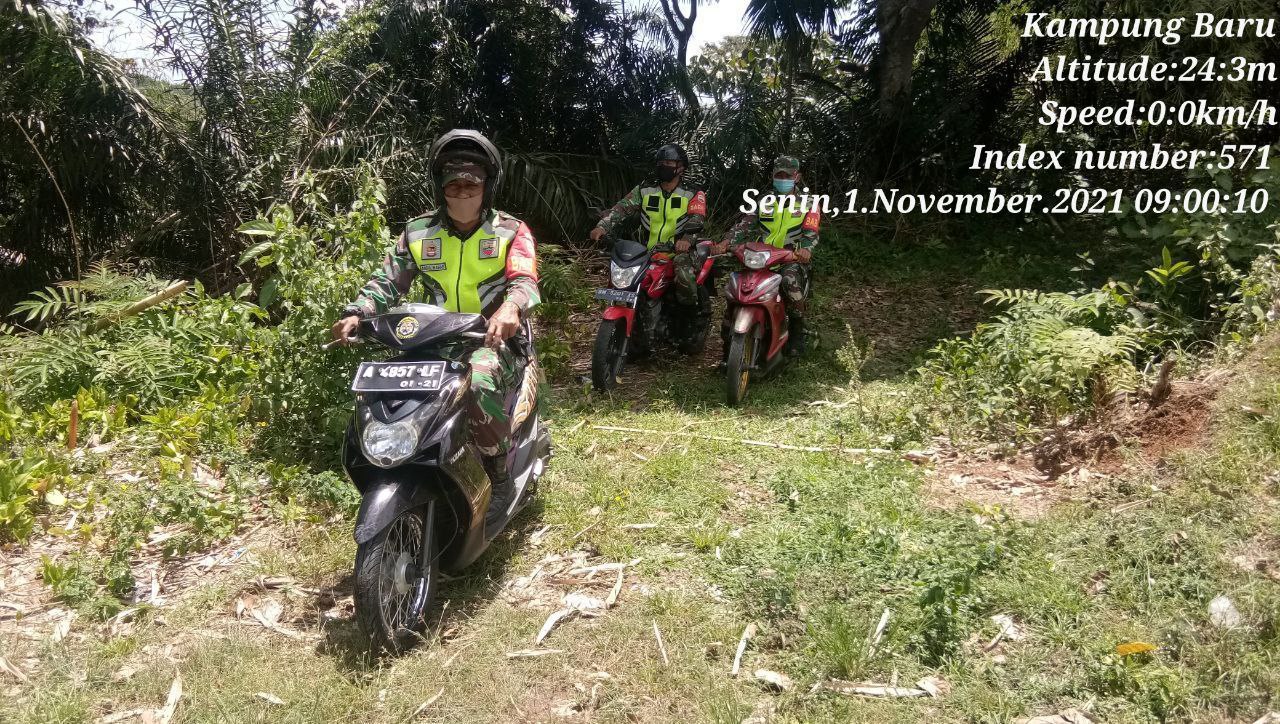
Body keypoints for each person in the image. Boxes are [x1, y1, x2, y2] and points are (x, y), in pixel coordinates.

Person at [330, 129, 539, 534]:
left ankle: (497, 477)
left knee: (477, 382)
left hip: (492, 338)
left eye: (471, 183)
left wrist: (511, 308)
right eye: (453, 182)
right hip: (432, 337)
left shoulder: (511, 231)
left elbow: (525, 280)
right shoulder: (418, 232)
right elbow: (388, 281)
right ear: (439, 186)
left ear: (487, 186)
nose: (462, 191)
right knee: (385, 386)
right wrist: (358, 312)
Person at [589, 144, 709, 334]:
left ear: (681, 168)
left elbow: (697, 218)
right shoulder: (645, 190)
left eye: (669, 163)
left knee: (684, 276)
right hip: (647, 251)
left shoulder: (693, 192)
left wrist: (686, 239)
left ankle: (690, 320)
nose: (664, 166)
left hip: (679, 251)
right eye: (661, 163)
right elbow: (621, 208)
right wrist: (602, 226)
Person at [719, 154, 820, 357]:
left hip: (790, 258)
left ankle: (797, 330)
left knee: (791, 283)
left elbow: (811, 232)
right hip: (761, 258)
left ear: (797, 177)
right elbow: (745, 224)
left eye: (787, 175)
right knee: (736, 288)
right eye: (779, 175)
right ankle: (729, 333)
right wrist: (726, 242)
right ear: (773, 176)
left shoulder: (809, 203)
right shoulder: (764, 201)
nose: (782, 179)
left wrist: (806, 250)